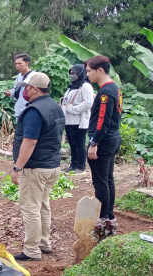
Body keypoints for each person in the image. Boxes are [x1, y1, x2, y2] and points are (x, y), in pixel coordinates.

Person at [10, 72, 65, 261]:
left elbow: (30, 142)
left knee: (30, 208)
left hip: (35, 168)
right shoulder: (55, 107)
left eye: (27, 87)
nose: (24, 90)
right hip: (52, 165)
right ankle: (44, 243)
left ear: (34, 89)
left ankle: (32, 250)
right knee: (42, 205)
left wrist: (18, 168)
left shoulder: (34, 111)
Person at [86, 55, 122, 232]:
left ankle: (103, 219)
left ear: (100, 70)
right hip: (113, 138)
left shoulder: (106, 92)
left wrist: (94, 142)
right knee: (108, 179)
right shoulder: (114, 88)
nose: (87, 75)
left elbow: (102, 120)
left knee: (101, 181)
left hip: (104, 141)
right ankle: (110, 217)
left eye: (89, 71)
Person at [60, 64, 94, 174]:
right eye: (71, 73)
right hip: (69, 120)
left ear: (80, 73)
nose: (72, 75)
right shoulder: (72, 86)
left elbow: (88, 103)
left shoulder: (85, 86)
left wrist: (73, 109)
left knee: (79, 145)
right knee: (72, 145)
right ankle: (73, 165)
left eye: (74, 73)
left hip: (79, 121)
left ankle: (81, 167)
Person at [5, 54, 34, 121]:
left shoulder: (34, 75)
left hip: (29, 109)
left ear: (27, 63)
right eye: (16, 64)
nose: (17, 66)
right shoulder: (19, 76)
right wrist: (10, 93)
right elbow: (15, 90)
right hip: (19, 110)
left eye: (20, 63)